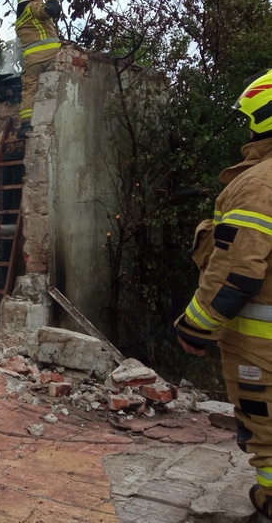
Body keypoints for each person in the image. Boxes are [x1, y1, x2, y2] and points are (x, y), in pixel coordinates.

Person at [176, 69, 272, 519]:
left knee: (263, 415)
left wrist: (197, 325)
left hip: (261, 341)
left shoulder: (257, 184)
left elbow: (237, 268)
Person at [14, 0, 62, 138]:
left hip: (31, 62)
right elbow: (52, 9)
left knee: (29, 90)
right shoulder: (33, 6)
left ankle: (26, 125)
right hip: (51, 54)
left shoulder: (19, 20)